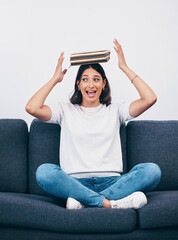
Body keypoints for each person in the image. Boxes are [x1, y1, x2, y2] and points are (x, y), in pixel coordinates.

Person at [26, 38, 161, 210]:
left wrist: (124, 67)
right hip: (73, 182)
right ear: (78, 84)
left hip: (112, 182)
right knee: (44, 172)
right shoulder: (64, 110)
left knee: (152, 171)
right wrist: (55, 79)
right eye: (85, 79)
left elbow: (150, 98)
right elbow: (31, 107)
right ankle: (109, 204)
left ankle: (84, 201)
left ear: (104, 84)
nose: (91, 85)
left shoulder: (116, 111)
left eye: (96, 79)